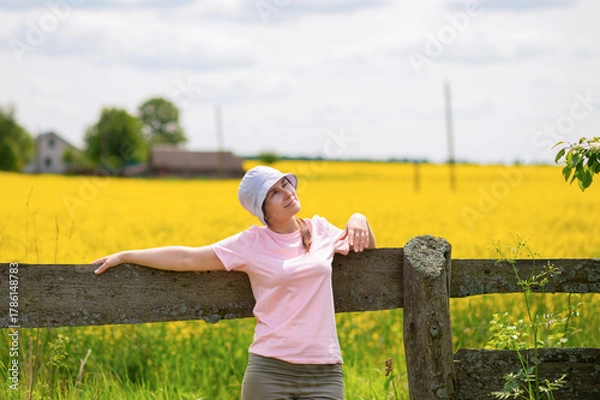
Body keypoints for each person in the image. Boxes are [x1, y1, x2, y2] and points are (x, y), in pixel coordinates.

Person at [92, 165, 376, 400]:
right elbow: (188, 258)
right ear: (263, 211)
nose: (287, 193)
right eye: (274, 193)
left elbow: (367, 247)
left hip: (324, 373)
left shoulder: (321, 229)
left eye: (285, 185)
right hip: (270, 372)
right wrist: (126, 255)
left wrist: (359, 217)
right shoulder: (251, 243)